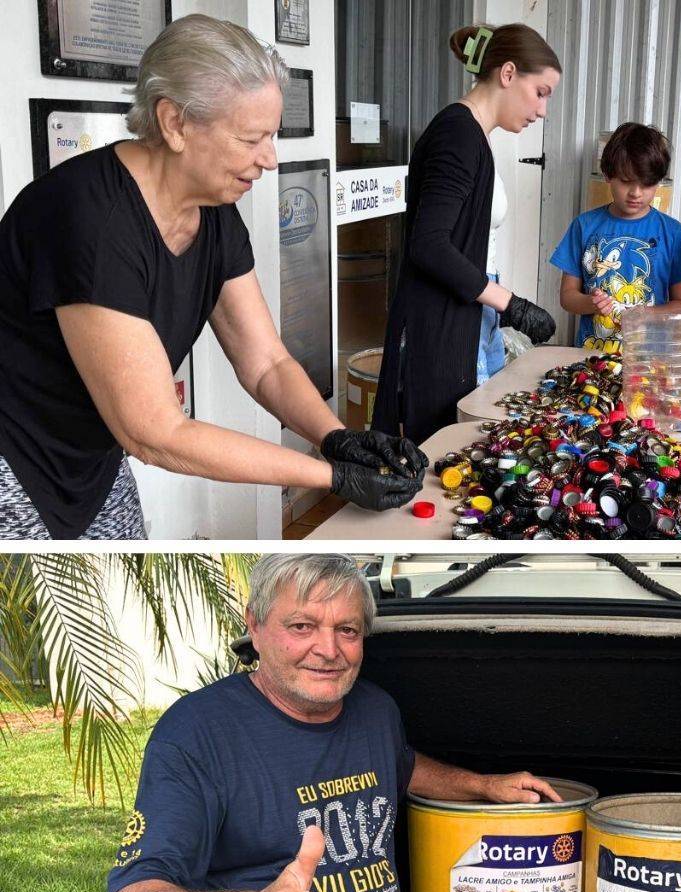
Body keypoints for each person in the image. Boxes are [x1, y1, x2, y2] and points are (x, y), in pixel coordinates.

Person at [103, 554, 560, 892]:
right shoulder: (196, 733)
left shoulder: (375, 709)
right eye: (302, 626)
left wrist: (480, 785)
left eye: (347, 630)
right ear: (254, 624)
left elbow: (400, 767)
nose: (329, 650)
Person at [0, 15, 425, 540]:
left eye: (272, 135)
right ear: (174, 123)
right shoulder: (90, 219)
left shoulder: (215, 210)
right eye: (251, 138)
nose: (269, 159)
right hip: (15, 463)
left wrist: (336, 438)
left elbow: (266, 363)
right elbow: (155, 431)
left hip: (93, 455)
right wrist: (331, 476)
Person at [372, 23, 561, 445]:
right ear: (508, 74)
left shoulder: (473, 136)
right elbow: (429, 244)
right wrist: (512, 304)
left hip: (476, 316)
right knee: (451, 451)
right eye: (541, 92)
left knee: (479, 443)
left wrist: (500, 307)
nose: (543, 110)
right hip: (444, 324)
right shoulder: (457, 136)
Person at [551, 123, 681, 354]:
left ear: (659, 181)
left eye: (647, 183)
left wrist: (643, 314)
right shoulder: (584, 226)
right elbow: (567, 297)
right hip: (593, 357)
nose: (636, 193)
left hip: (651, 361)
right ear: (608, 175)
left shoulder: (673, 233)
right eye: (626, 181)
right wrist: (591, 303)